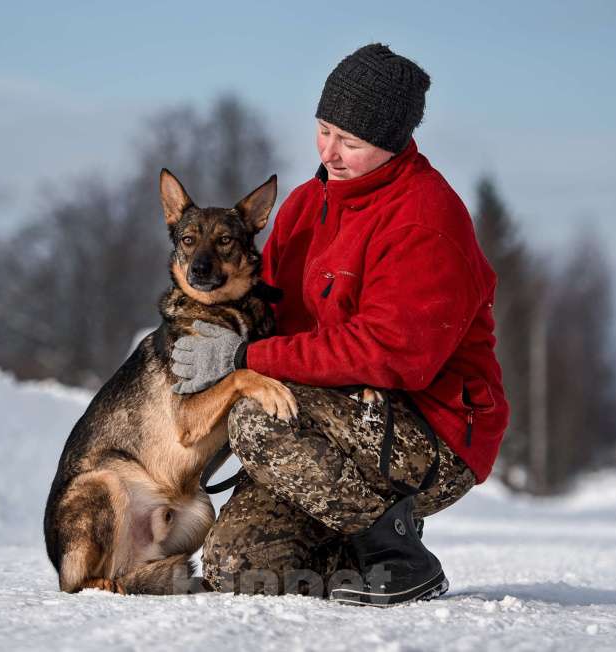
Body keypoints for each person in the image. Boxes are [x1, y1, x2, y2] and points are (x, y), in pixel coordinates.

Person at [170, 43, 509, 606]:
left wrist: (244, 362)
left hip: (433, 428)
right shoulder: (306, 206)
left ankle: (397, 555)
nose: (331, 151)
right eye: (323, 129)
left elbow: (391, 353)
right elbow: (268, 311)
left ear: (394, 143)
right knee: (239, 566)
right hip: (334, 422)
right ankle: (351, 547)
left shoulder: (426, 219)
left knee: (258, 413)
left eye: (352, 142)